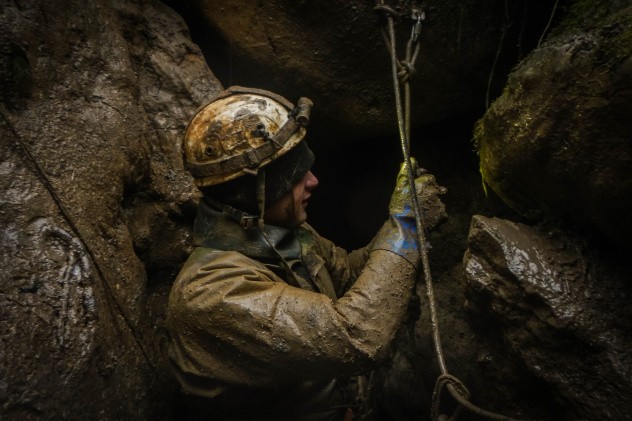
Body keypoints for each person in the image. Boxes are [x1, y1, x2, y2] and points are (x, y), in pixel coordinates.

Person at [166, 86, 447, 421]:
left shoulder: (280, 233)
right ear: (253, 192)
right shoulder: (212, 294)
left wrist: (399, 221)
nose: (313, 180)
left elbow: (350, 276)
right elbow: (357, 337)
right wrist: (406, 228)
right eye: (295, 173)